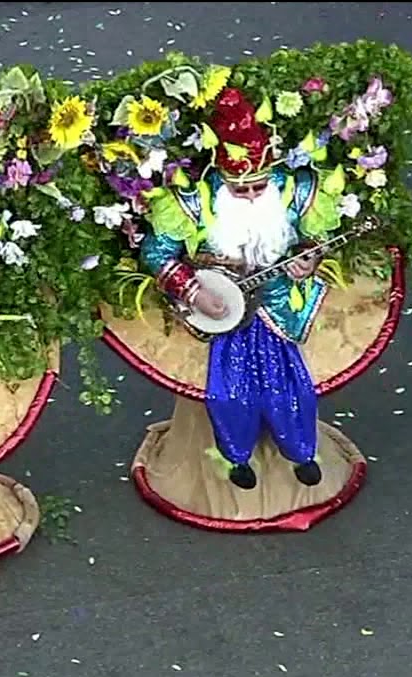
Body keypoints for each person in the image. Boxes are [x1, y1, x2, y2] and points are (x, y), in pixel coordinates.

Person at [139, 88, 342, 490]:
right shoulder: (194, 201)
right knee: (229, 393)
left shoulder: (293, 190)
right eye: (240, 190)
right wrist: (194, 292)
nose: (250, 196)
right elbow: (156, 252)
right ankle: (237, 458)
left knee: (290, 390)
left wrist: (308, 258)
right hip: (220, 309)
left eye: (258, 187)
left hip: (279, 304)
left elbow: (315, 238)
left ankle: (301, 452)